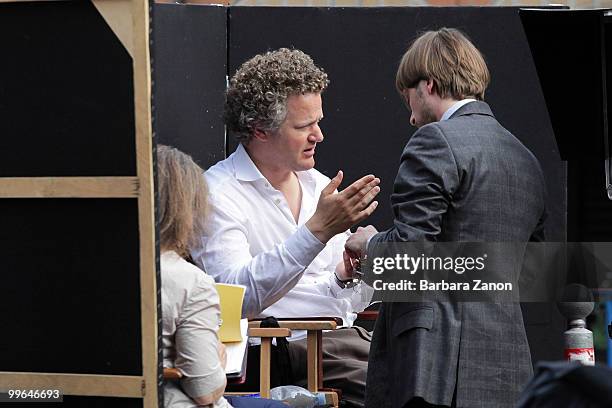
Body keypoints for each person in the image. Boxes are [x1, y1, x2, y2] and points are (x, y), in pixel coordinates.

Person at [345, 28, 547, 407]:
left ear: (429, 85)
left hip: (436, 366)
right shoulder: (526, 159)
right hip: (508, 363)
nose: (410, 117)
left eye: (409, 99)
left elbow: (411, 251)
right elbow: (528, 270)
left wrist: (368, 244)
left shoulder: (435, 140)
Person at [191, 48, 380, 408]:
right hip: (280, 353)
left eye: (318, 121)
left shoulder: (317, 185)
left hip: (342, 341)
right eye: (304, 126)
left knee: (430, 373)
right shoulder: (217, 192)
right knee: (403, 387)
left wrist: (354, 272)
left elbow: (339, 300)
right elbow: (236, 296)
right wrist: (317, 232)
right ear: (260, 130)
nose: (319, 135)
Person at [158, 145, 285, 408]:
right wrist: (218, 359)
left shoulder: (98, 270)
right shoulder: (191, 283)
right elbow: (205, 391)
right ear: (186, 210)